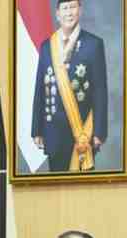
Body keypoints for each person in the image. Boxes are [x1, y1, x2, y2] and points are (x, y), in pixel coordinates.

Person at [31, 0, 108, 172]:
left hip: (82, 132)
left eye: (73, 7)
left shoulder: (93, 44)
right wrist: (37, 128)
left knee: (83, 191)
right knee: (56, 189)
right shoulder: (46, 46)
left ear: (80, 11)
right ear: (57, 14)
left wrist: (99, 131)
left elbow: (100, 91)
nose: (69, 13)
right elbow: (40, 90)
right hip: (53, 131)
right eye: (65, 8)